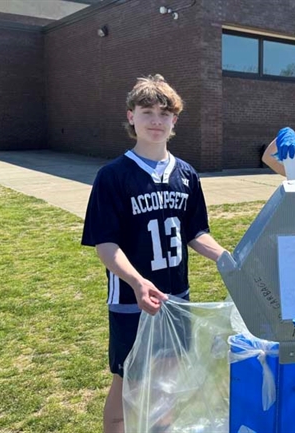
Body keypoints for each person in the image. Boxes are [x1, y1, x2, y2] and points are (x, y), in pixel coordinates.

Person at [81, 74, 227, 433]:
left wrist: (226, 256)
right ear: (131, 116)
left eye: (165, 113)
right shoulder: (112, 176)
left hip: (176, 297)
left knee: (169, 381)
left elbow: (196, 232)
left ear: (175, 120)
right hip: (132, 298)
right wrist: (135, 280)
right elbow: (106, 244)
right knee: (128, 379)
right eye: (147, 112)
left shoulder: (187, 175)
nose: (156, 121)